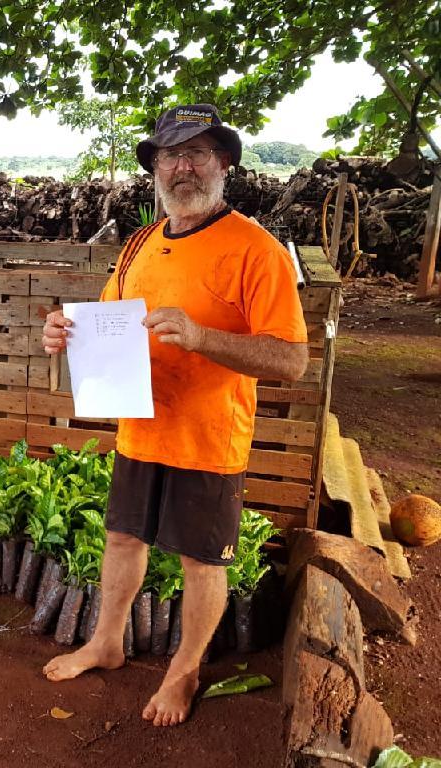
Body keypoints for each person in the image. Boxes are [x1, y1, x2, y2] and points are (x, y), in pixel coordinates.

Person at [41, 104, 308, 727]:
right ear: (156, 169)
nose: (182, 166)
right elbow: (106, 323)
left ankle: (183, 675)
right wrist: (63, 333)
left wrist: (202, 336)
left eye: (198, 153)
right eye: (170, 155)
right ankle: (108, 643)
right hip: (141, 428)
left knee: (201, 561)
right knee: (122, 538)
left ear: (223, 164)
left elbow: (292, 360)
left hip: (209, 439)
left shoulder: (256, 251)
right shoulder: (140, 243)